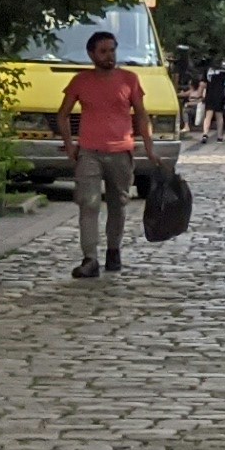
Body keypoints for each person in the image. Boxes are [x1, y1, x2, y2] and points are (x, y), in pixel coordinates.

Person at [50, 30, 150, 280]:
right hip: (89, 152)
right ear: (92, 54)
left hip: (120, 151)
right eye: (103, 51)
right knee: (89, 203)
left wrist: (148, 146)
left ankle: (113, 250)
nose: (109, 56)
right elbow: (62, 114)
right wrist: (69, 144)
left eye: (112, 50)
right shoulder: (81, 81)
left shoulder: (129, 79)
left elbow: (141, 113)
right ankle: (90, 258)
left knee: (118, 204)